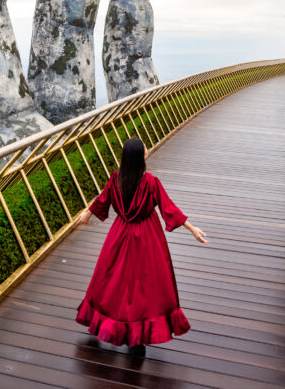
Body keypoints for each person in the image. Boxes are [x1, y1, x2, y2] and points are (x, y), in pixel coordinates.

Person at [73, 137, 208, 357]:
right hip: (147, 237)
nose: (147, 149)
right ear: (141, 156)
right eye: (144, 148)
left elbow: (102, 199)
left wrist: (86, 215)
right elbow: (169, 208)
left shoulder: (116, 179)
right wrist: (192, 229)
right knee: (144, 287)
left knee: (112, 283)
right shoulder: (151, 182)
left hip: (120, 234)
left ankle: (104, 325)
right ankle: (137, 340)